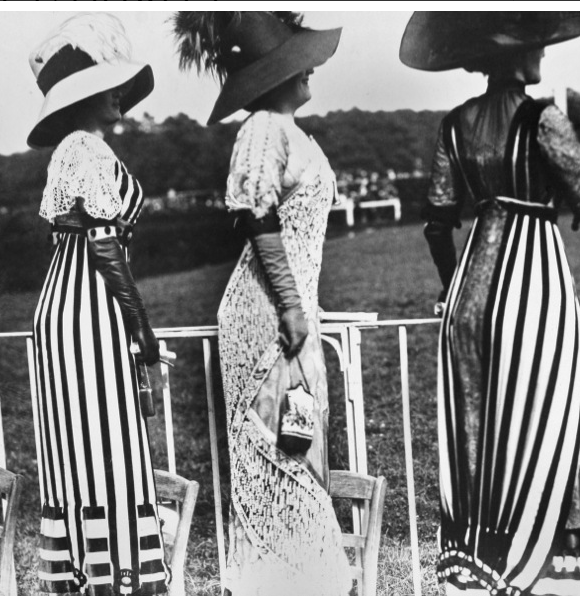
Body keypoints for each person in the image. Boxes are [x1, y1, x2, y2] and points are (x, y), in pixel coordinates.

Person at [400, 12, 580, 596]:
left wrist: (451, 284)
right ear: (516, 56)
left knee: (477, 433)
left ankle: (478, 563)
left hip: (466, 299)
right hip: (535, 290)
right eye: (537, 46)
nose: (543, 55)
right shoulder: (542, 119)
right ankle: (546, 572)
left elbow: (437, 224)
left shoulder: (454, 124)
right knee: (548, 424)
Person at [173, 12, 351, 595]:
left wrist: (302, 309)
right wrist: (294, 308)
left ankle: (298, 579)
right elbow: (257, 217)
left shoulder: (290, 131)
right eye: (293, 63)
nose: (308, 71)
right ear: (269, 76)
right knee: (280, 453)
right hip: (269, 317)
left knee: (297, 446)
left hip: (292, 311)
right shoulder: (263, 130)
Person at [28, 13, 170, 595]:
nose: (119, 93)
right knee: (105, 441)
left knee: (83, 445)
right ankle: (116, 578)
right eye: (107, 83)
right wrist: (143, 333)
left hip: (68, 308)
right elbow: (106, 249)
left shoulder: (76, 148)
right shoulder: (84, 148)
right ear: (81, 94)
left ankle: (90, 572)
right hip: (90, 311)